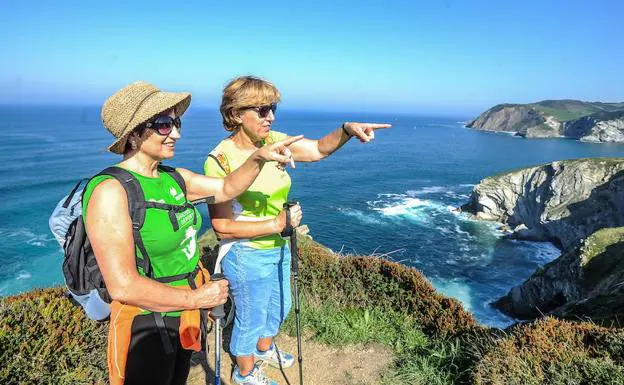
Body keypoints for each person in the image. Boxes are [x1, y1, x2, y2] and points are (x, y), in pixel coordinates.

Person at [85, 81, 303, 385]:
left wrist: (259, 157)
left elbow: (228, 188)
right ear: (133, 134)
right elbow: (123, 286)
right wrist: (196, 298)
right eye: (163, 125)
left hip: (186, 312)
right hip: (145, 321)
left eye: (176, 123)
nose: (176, 133)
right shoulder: (110, 190)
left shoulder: (175, 178)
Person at [204, 75, 391, 385]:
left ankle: (264, 350)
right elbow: (222, 227)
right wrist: (276, 224)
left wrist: (346, 130)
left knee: (280, 307)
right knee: (251, 317)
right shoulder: (219, 160)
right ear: (237, 114)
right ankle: (245, 371)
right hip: (247, 253)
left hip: (278, 246)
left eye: (272, 108)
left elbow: (317, 149)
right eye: (262, 110)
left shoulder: (274, 140)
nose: (271, 117)